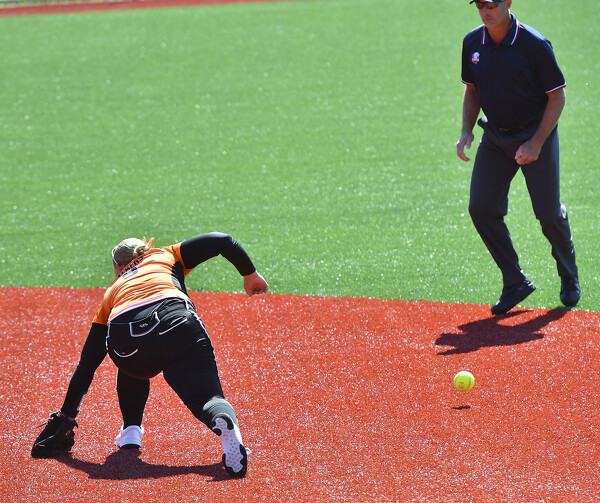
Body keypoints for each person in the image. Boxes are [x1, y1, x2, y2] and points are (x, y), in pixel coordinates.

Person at [31, 232, 268, 478]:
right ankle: (221, 419)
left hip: (126, 345)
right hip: (175, 322)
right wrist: (250, 276)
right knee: (208, 398)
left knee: (132, 355)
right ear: (146, 249)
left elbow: (87, 365)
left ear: (117, 267)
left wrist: (67, 415)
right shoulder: (166, 254)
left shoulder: (113, 291)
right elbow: (222, 240)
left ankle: (131, 431)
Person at [456, 0, 580, 315]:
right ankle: (514, 281)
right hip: (495, 137)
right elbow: (472, 90)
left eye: (491, 4)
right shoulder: (472, 42)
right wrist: (467, 130)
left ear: (508, 2)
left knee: (548, 213)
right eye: (479, 5)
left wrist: (536, 143)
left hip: (536, 134)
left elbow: (557, 96)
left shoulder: (534, 44)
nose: (485, 11)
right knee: (481, 207)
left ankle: (568, 273)